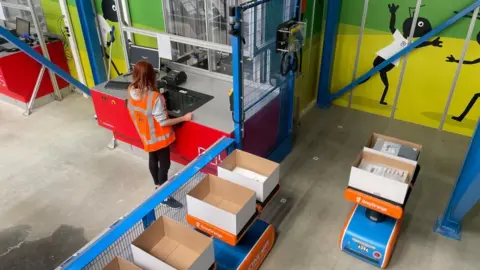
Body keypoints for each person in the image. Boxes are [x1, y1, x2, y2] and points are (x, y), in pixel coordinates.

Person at [127, 60, 192, 208]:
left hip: (146, 135)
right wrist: (184, 118)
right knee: (165, 164)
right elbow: (163, 122)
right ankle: (163, 196)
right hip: (158, 138)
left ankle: (157, 186)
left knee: (152, 159)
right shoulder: (154, 97)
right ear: (151, 76)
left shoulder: (131, 89)